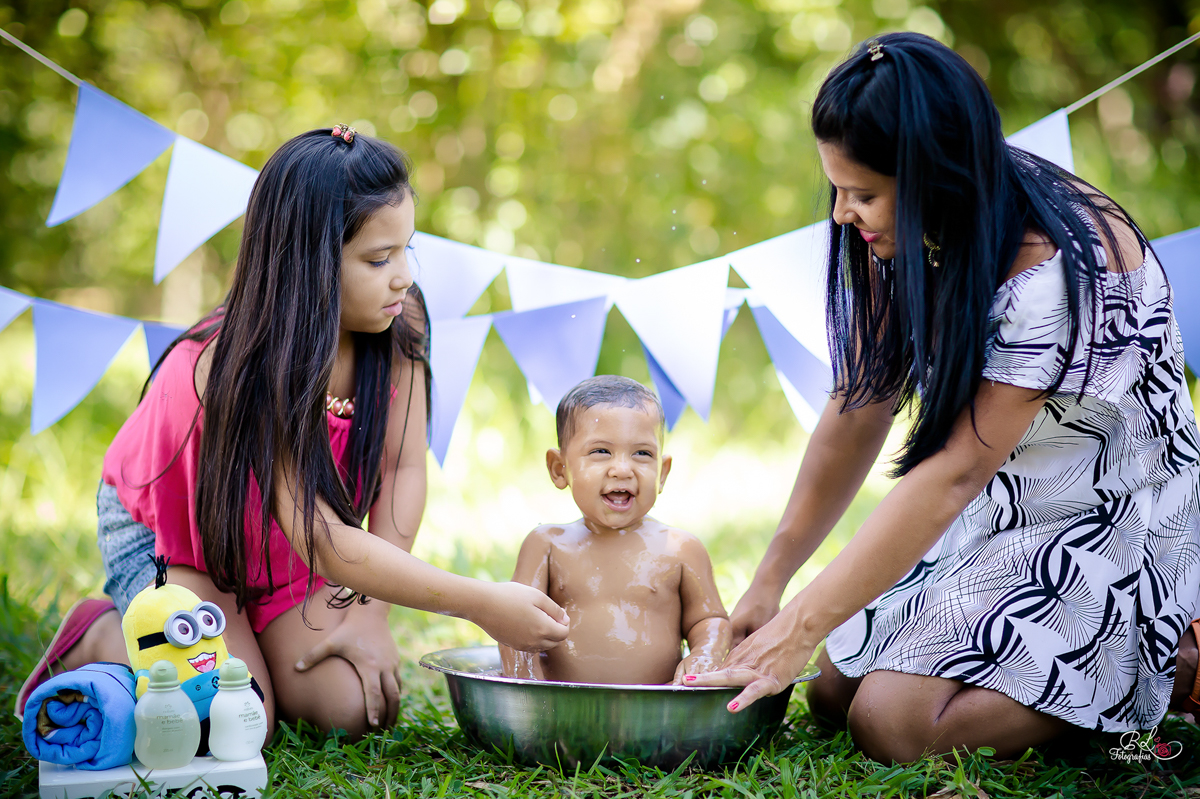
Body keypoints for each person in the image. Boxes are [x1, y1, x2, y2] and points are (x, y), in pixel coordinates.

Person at [688, 33, 1200, 762]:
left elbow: (955, 471)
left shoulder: (1052, 262)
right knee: (833, 692)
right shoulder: (908, 230)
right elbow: (861, 401)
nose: (841, 213)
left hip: (1111, 521)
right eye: (836, 187)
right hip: (1006, 512)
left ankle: (1155, 672)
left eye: (862, 194)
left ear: (933, 175)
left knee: (894, 723)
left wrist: (800, 626)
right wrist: (772, 585)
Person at [16, 127, 569, 737]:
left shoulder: (400, 323)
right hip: (180, 532)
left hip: (284, 533)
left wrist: (370, 613)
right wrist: (479, 601)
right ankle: (100, 634)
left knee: (350, 710)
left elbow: (401, 469)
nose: (404, 276)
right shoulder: (240, 366)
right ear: (308, 265)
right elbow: (325, 543)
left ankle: (242, 636)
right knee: (235, 714)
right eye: (379, 259)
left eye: (407, 248)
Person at [499, 376, 731, 684]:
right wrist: (526, 683)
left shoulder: (679, 549)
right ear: (559, 468)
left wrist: (704, 654)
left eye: (642, 454)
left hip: (654, 710)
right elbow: (514, 623)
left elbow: (710, 620)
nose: (622, 468)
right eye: (601, 452)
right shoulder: (548, 545)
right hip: (562, 706)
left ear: (662, 473)